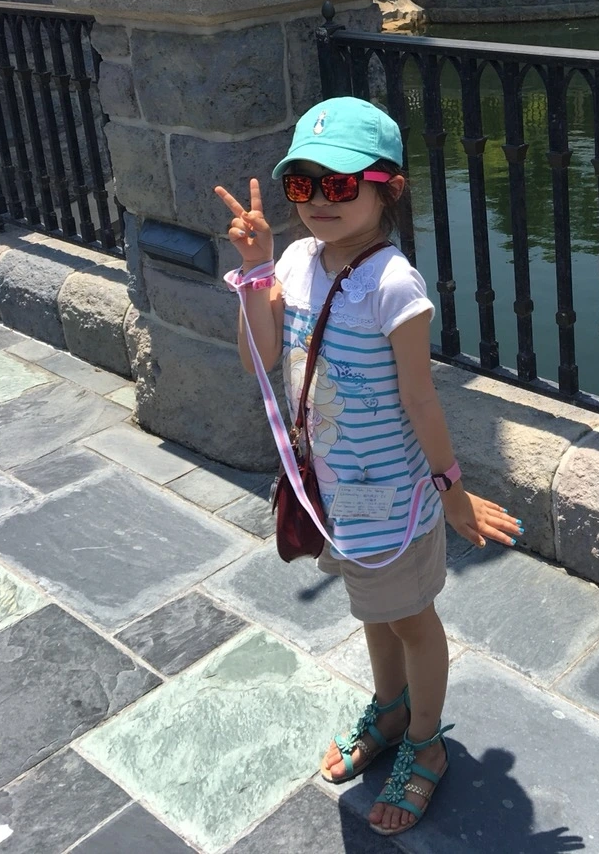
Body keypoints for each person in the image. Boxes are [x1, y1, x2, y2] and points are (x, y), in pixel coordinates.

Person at [214, 98, 521, 839]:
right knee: (375, 610)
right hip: (336, 495)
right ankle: (389, 712)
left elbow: (420, 398)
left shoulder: (393, 285)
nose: (319, 200)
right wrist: (254, 270)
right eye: (303, 184)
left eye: (341, 184)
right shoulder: (295, 261)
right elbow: (258, 355)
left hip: (393, 498)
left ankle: (426, 742)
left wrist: (452, 491)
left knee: (410, 618)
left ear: (388, 189)